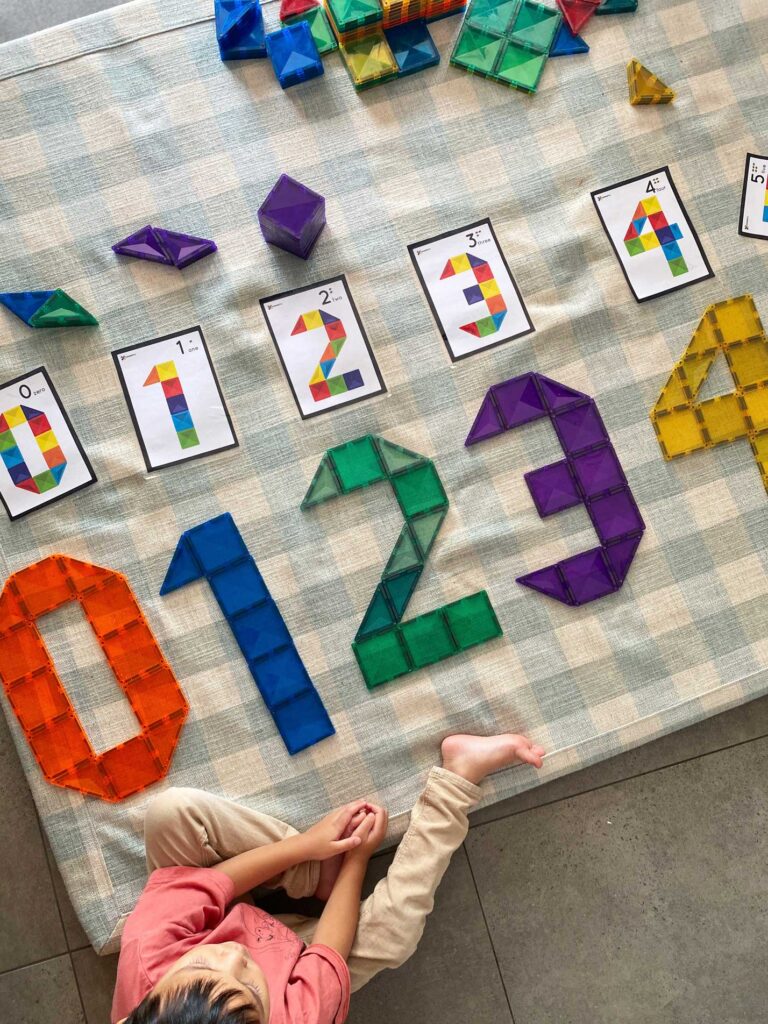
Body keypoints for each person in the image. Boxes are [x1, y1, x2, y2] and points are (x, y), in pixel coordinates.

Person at [113, 732, 545, 1024]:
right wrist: (356, 860)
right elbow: (327, 953)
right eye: (248, 987)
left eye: (204, 963)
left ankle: (309, 875)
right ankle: (458, 778)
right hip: (302, 953)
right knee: (393, 934)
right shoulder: (297, 1018)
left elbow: (214, 885)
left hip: (215, 910)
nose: (235, 955)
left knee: (171, 814)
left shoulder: (146, 954)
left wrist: (309, 847)